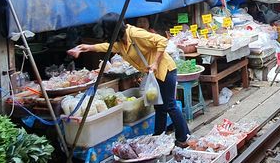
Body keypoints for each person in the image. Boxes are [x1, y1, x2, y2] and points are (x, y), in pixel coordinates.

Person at [68, 14, 191, 146]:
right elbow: (109, 47)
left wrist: (155, 63)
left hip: (164, 70)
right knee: (159, 107)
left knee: (170, 105)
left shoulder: (135, 34)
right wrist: (88, 47)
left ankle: (184, 138)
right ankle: (158, 137)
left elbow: (162, 41)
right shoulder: (121, 41)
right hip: (152, 75)